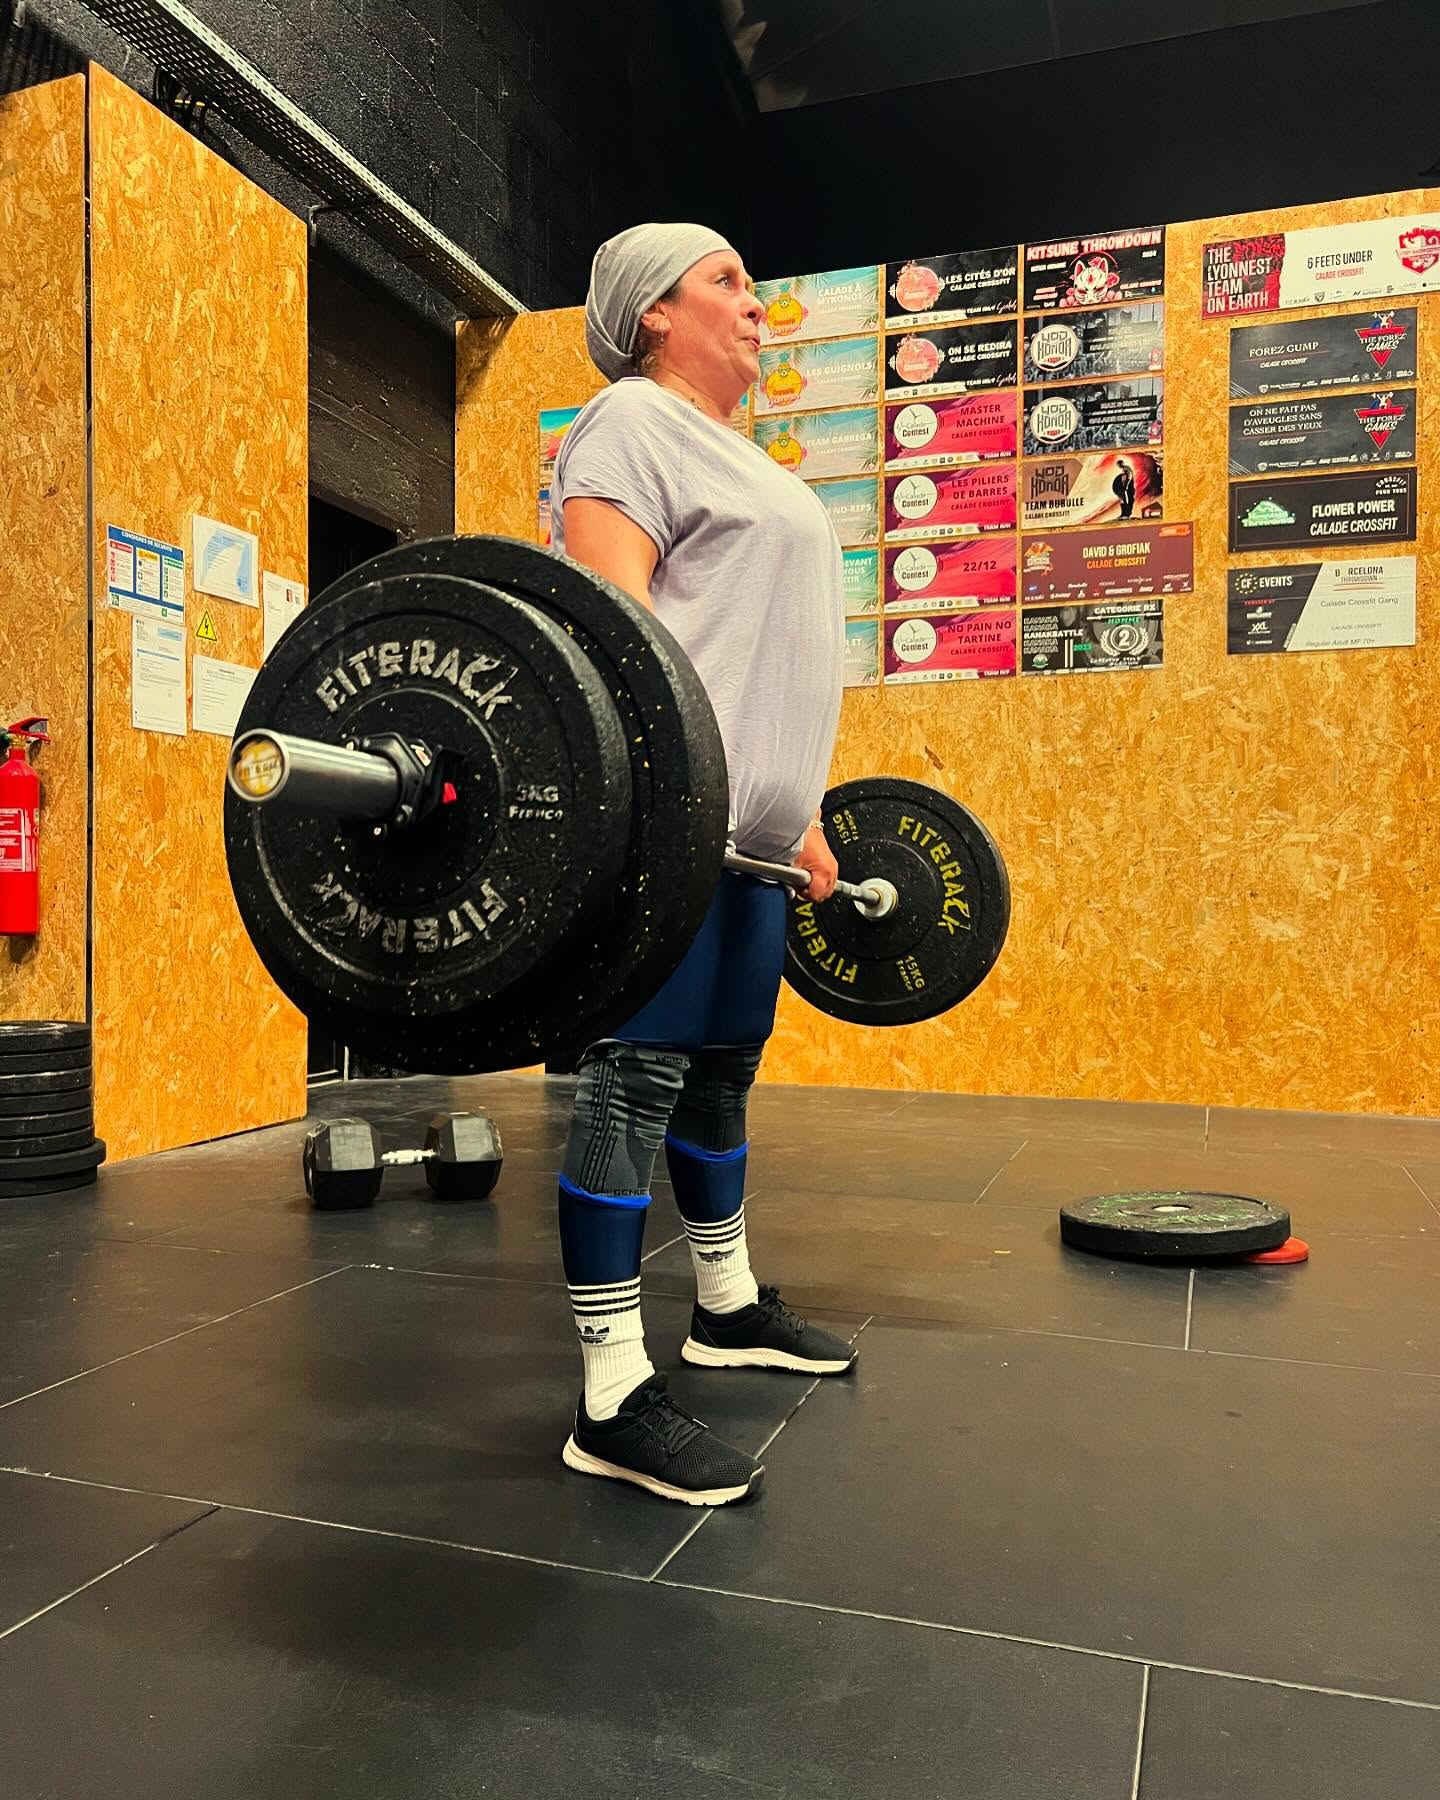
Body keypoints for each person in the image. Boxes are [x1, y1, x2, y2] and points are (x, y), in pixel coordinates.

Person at [547, 222, 856, 1507]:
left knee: (722, 1077)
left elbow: (766, 656)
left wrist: (808, 812)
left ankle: (721, 1308)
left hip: (754, 844)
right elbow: (614, 639)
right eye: (725, 279)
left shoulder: (744, 456)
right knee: (633, 1086)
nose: (755, 299)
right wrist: (664, 810)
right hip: (670, 837)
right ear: (651, 313)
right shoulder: (626, 422)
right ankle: (611, 1392)